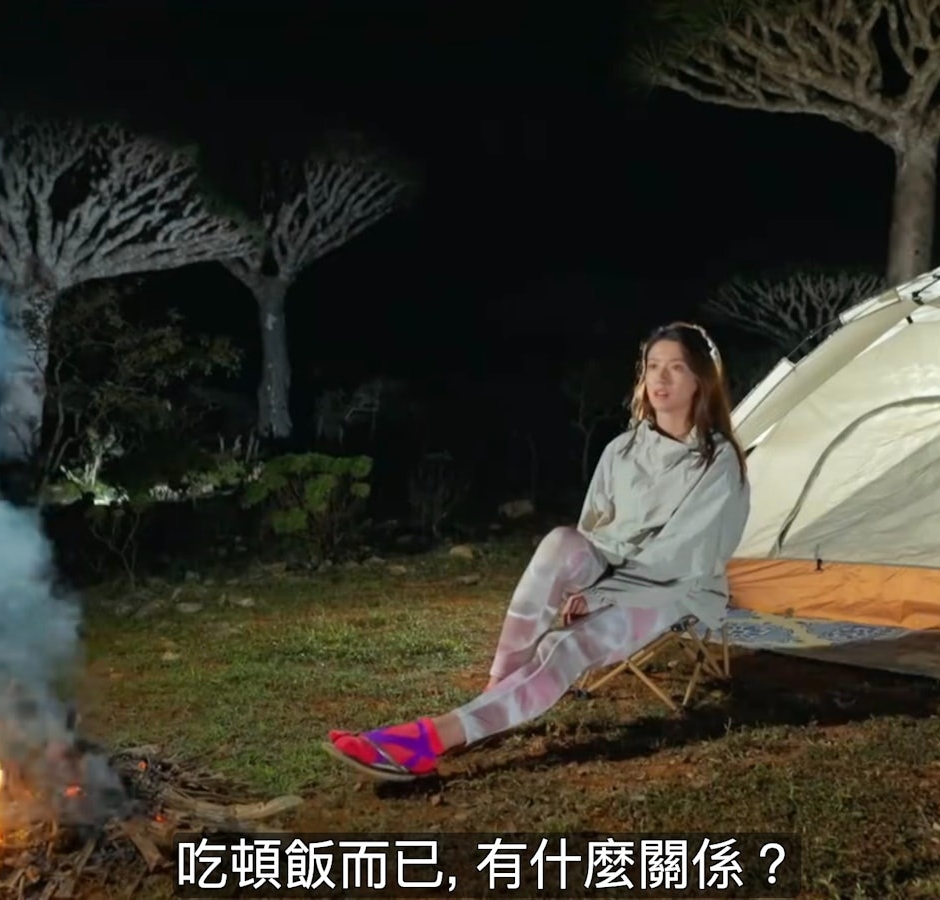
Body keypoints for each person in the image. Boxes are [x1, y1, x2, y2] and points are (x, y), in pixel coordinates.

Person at [322, 321, 751, 782]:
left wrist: (603, 594)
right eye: (652, 366)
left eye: (676, 368)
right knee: (560, 542)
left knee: (564, 644)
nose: (660, 379)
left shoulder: (716, 460)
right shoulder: (622, 449)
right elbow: (593, 531)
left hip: (671, 586)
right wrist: (588, 579)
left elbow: (685, 553)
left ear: (700, 379)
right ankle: (495, 693)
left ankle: (426, 740)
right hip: (613, 567)